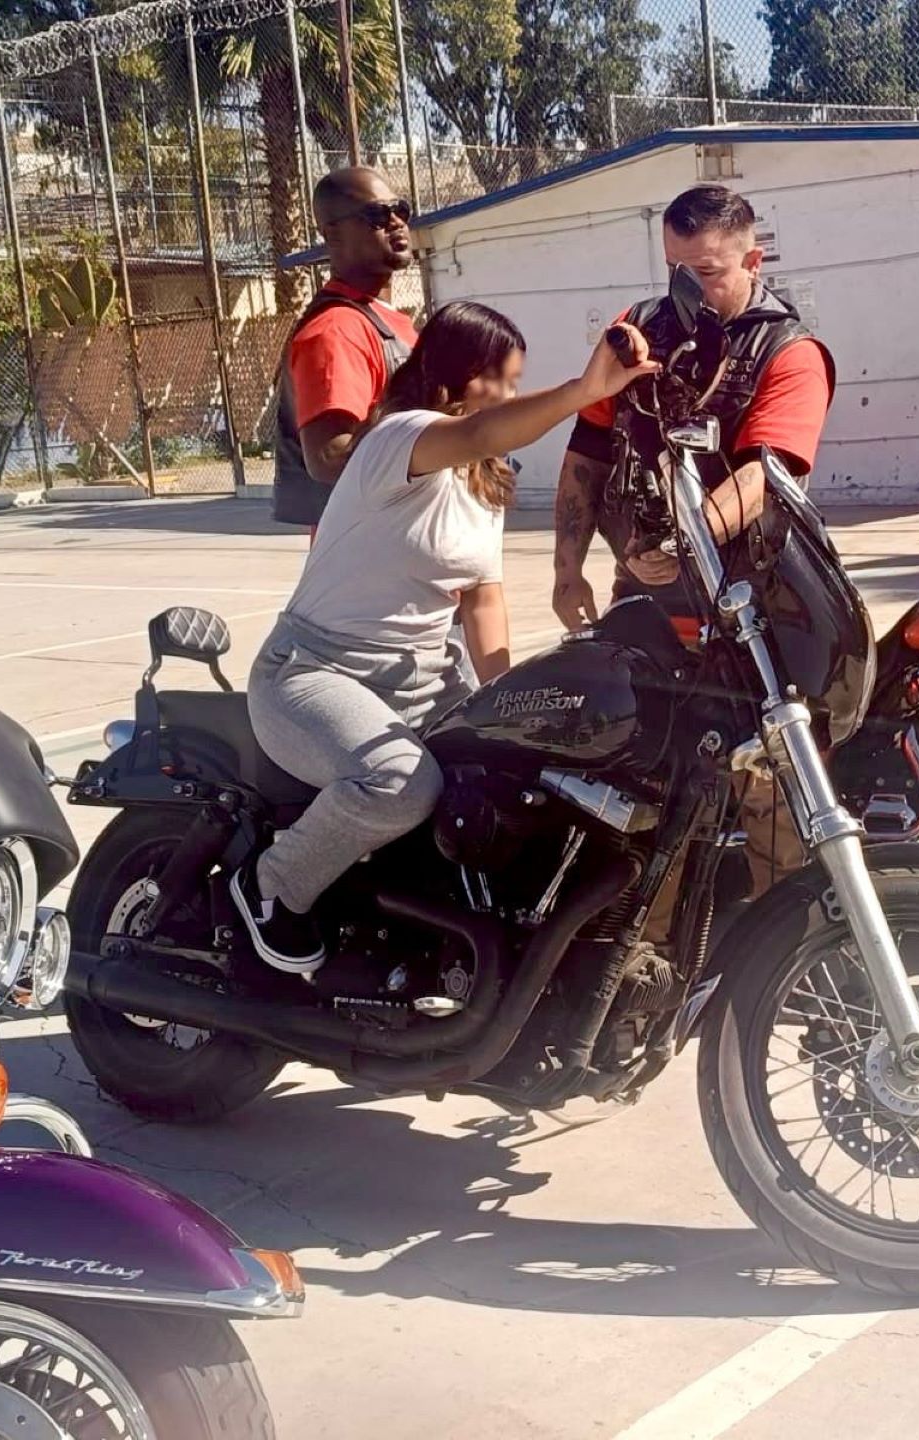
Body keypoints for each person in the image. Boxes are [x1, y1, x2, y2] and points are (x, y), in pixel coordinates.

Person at [229, 303, 656, 972]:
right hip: (313, 671)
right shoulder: (401, 440)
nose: (511, 397)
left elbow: (482, 598)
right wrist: (582, 392)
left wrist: (512, 700)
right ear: (459, 377)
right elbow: (482, 429)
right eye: (503, 380)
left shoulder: (482, 483)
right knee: (399, 783)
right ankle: (272, 885)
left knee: (524, 773)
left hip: (423, 677)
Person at [550, 182, 833, 896]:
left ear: (753, 259)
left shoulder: (788, 351)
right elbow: (587, 448)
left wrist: (687, 540)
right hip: (643, 598)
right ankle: (638, 950)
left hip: (749, 601)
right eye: (676, 268)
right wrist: (566, 571)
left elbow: (764, 475)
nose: (690, 287)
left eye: (708, 271)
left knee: (768, 780)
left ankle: (773, 950)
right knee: (634, 781)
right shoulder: (638, 330)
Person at [272, 168, 419, 534]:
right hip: (370, 556)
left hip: (403, 543)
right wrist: (448, 446)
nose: (396, 222)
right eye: (377, 215)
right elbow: (329, 455)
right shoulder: (338, 329)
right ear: (331, 233)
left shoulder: (382, 321)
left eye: (401, 209)